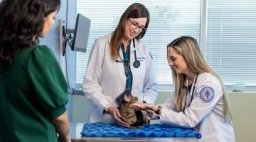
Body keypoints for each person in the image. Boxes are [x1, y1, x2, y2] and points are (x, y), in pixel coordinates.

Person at [131, 36, 235, 141]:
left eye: (173, 58)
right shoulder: (186, 82)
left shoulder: (208, 85)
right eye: (169, 59)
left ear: (188, 56)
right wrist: (144, 109)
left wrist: (155, 109)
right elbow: (169, 107)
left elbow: (190, 119)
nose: (170, 63)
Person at [0, 0, 70, 141]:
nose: (53, 23)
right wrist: (66, 138)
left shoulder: (4, 57)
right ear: (38, 17)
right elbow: (60, 117)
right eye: (53, 17)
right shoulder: (36, 57)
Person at [82, 3, 157, 127]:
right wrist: (108, 107)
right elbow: (90, 84)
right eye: (134, 23)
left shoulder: (144, 49)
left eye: (141, 27)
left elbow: (151, 86)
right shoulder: (102, 44)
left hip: (133, 119)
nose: (136, 30)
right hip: (105, 119)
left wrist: (143, 105)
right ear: (125, 18)